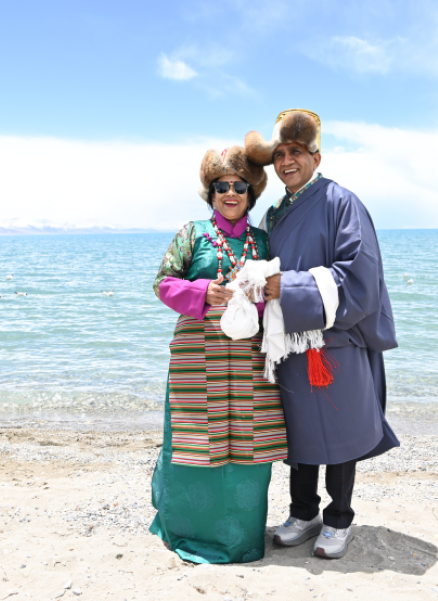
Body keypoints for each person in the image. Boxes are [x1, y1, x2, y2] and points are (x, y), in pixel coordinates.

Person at [245, 109, 399, 559]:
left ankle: (339, 518)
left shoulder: (341, 202)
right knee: (300, 432)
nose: (287, 161)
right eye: (279, 154)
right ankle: (303, 511)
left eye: (296, 152)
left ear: (316, 156)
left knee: (339, 427)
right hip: (290, 339)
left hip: (335, 338)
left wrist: (288, 287)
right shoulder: (275, 215)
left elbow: (360, 275)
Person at [149, 145, 288, 564]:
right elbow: (162, 283)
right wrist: (202, 291)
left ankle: (242, 537)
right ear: (210, 193)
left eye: (240, 187)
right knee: (194, 437)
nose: (231, 193)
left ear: (250, 194)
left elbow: (277, 293)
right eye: (222, 186)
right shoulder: (192, 234)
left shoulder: (262, 240)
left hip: (249, 358)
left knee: (249, 441)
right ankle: (188, 530)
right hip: (197, 354)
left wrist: (257, 298)